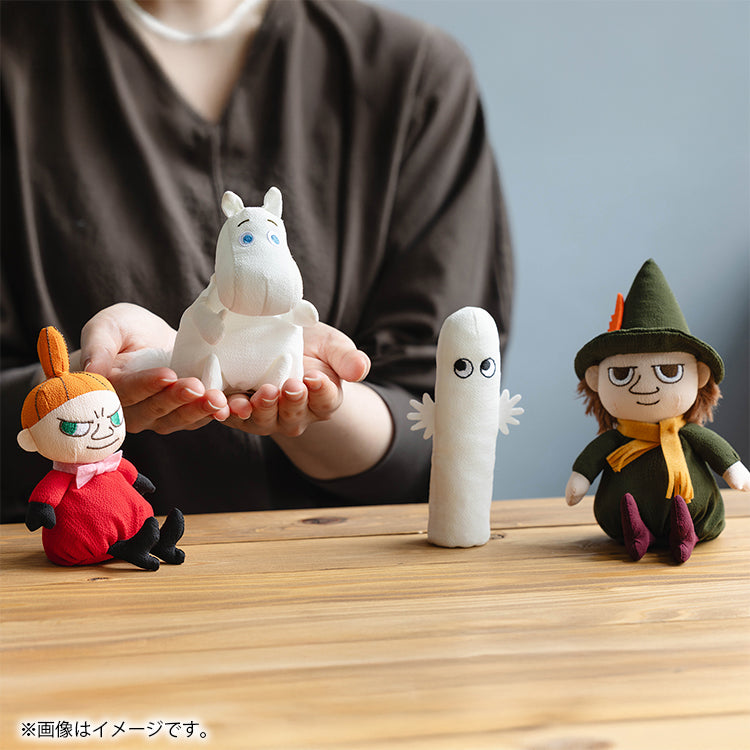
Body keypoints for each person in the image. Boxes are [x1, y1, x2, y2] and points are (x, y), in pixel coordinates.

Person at [1, 0, 513, 523]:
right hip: (75, 552)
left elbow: (446, 415)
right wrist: (75, 391)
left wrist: (319, 399)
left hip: (347, 559)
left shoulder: (412, 73)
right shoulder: (16, 62)